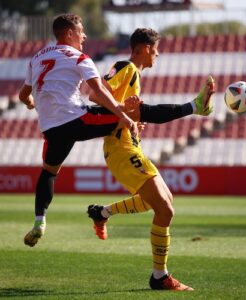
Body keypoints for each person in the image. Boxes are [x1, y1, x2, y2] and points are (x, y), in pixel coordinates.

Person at [20, 14, 214, 249]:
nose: (85, 36)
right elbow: (97, 93)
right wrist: (123, 114)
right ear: (70, 33)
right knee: (138, 113)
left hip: (50, 128)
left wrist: (31, 102)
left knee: (49, 173)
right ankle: (194, 106)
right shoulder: (86, 58)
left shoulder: (37, 58)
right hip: (80, 121)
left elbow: (23, 94)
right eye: (81, 31)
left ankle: (41, 220)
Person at [87, 28, 215, 291]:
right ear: (145, 48)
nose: (158, 53)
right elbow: (96, 95)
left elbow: (123, 107)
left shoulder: (133, 75)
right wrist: (189, 107)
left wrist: (131, 118)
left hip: (128, 147)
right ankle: (160, 276)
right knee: (165, 209)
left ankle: (102, 212)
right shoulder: (126, 67)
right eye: (156, 48)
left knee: (160, 202)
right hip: (122, 149)